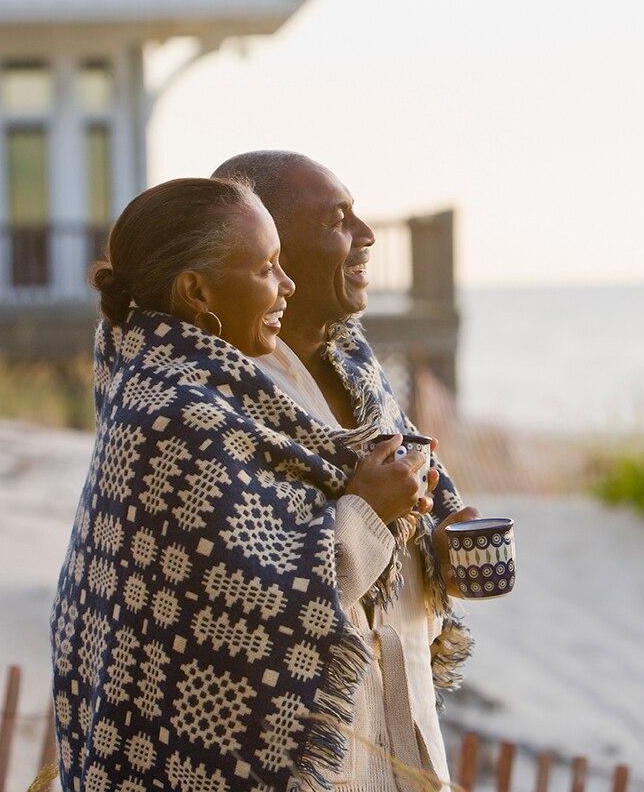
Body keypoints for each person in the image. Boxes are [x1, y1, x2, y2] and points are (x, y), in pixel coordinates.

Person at [50, 177, 436, 792]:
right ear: (196, 291)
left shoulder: (212, 391)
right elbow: (268, 604)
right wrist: (365, 509)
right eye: (266, 268)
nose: (286, 286)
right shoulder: (174, 416)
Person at [212, 153, 479, 790]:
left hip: (399, 705)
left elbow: (409, 480)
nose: (366, 235)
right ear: (265, 241)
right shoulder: (217, 395)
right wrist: (367, 511)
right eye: (337, 219)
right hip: (305, 735)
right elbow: (246, 592)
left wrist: (439, 538)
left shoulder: (355, 358)